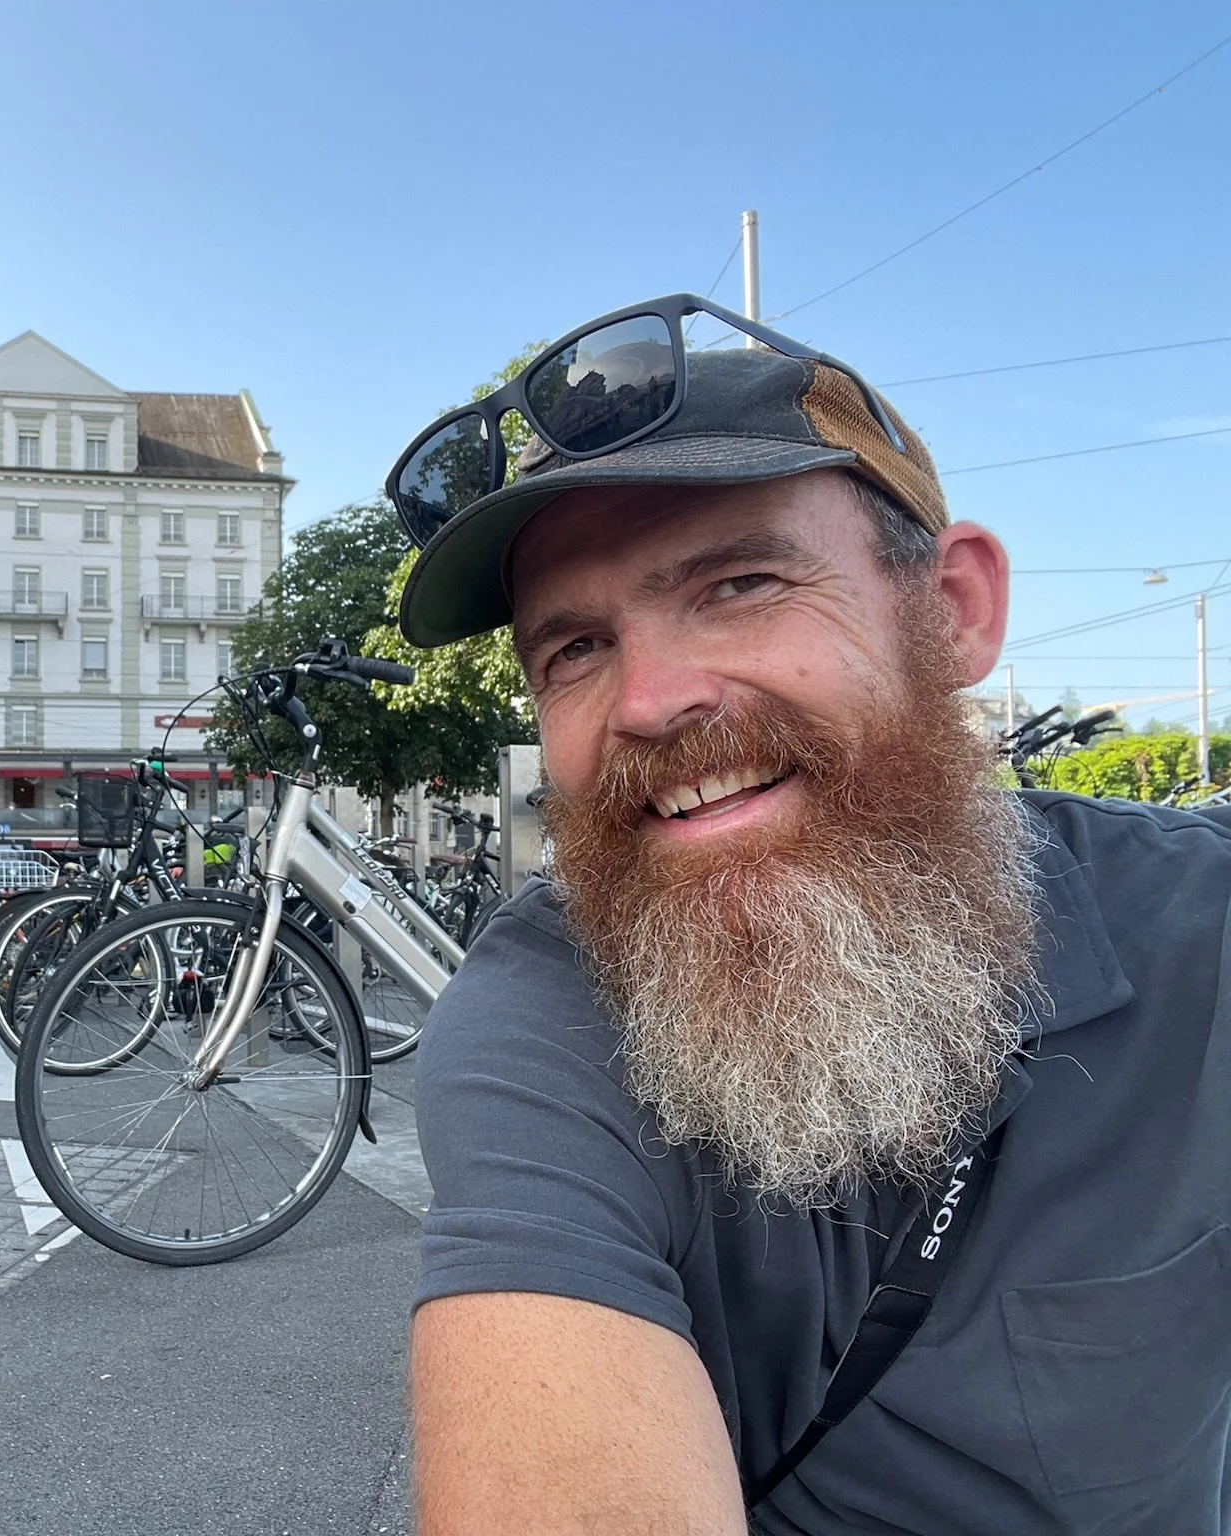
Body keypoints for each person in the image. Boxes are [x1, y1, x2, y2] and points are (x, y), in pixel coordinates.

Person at [391, 300, 1231, 1534]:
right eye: (571, 649)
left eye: (738, 583)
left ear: (951, 610)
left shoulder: (1196, 922)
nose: (647, 701)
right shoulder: (548, 1010)